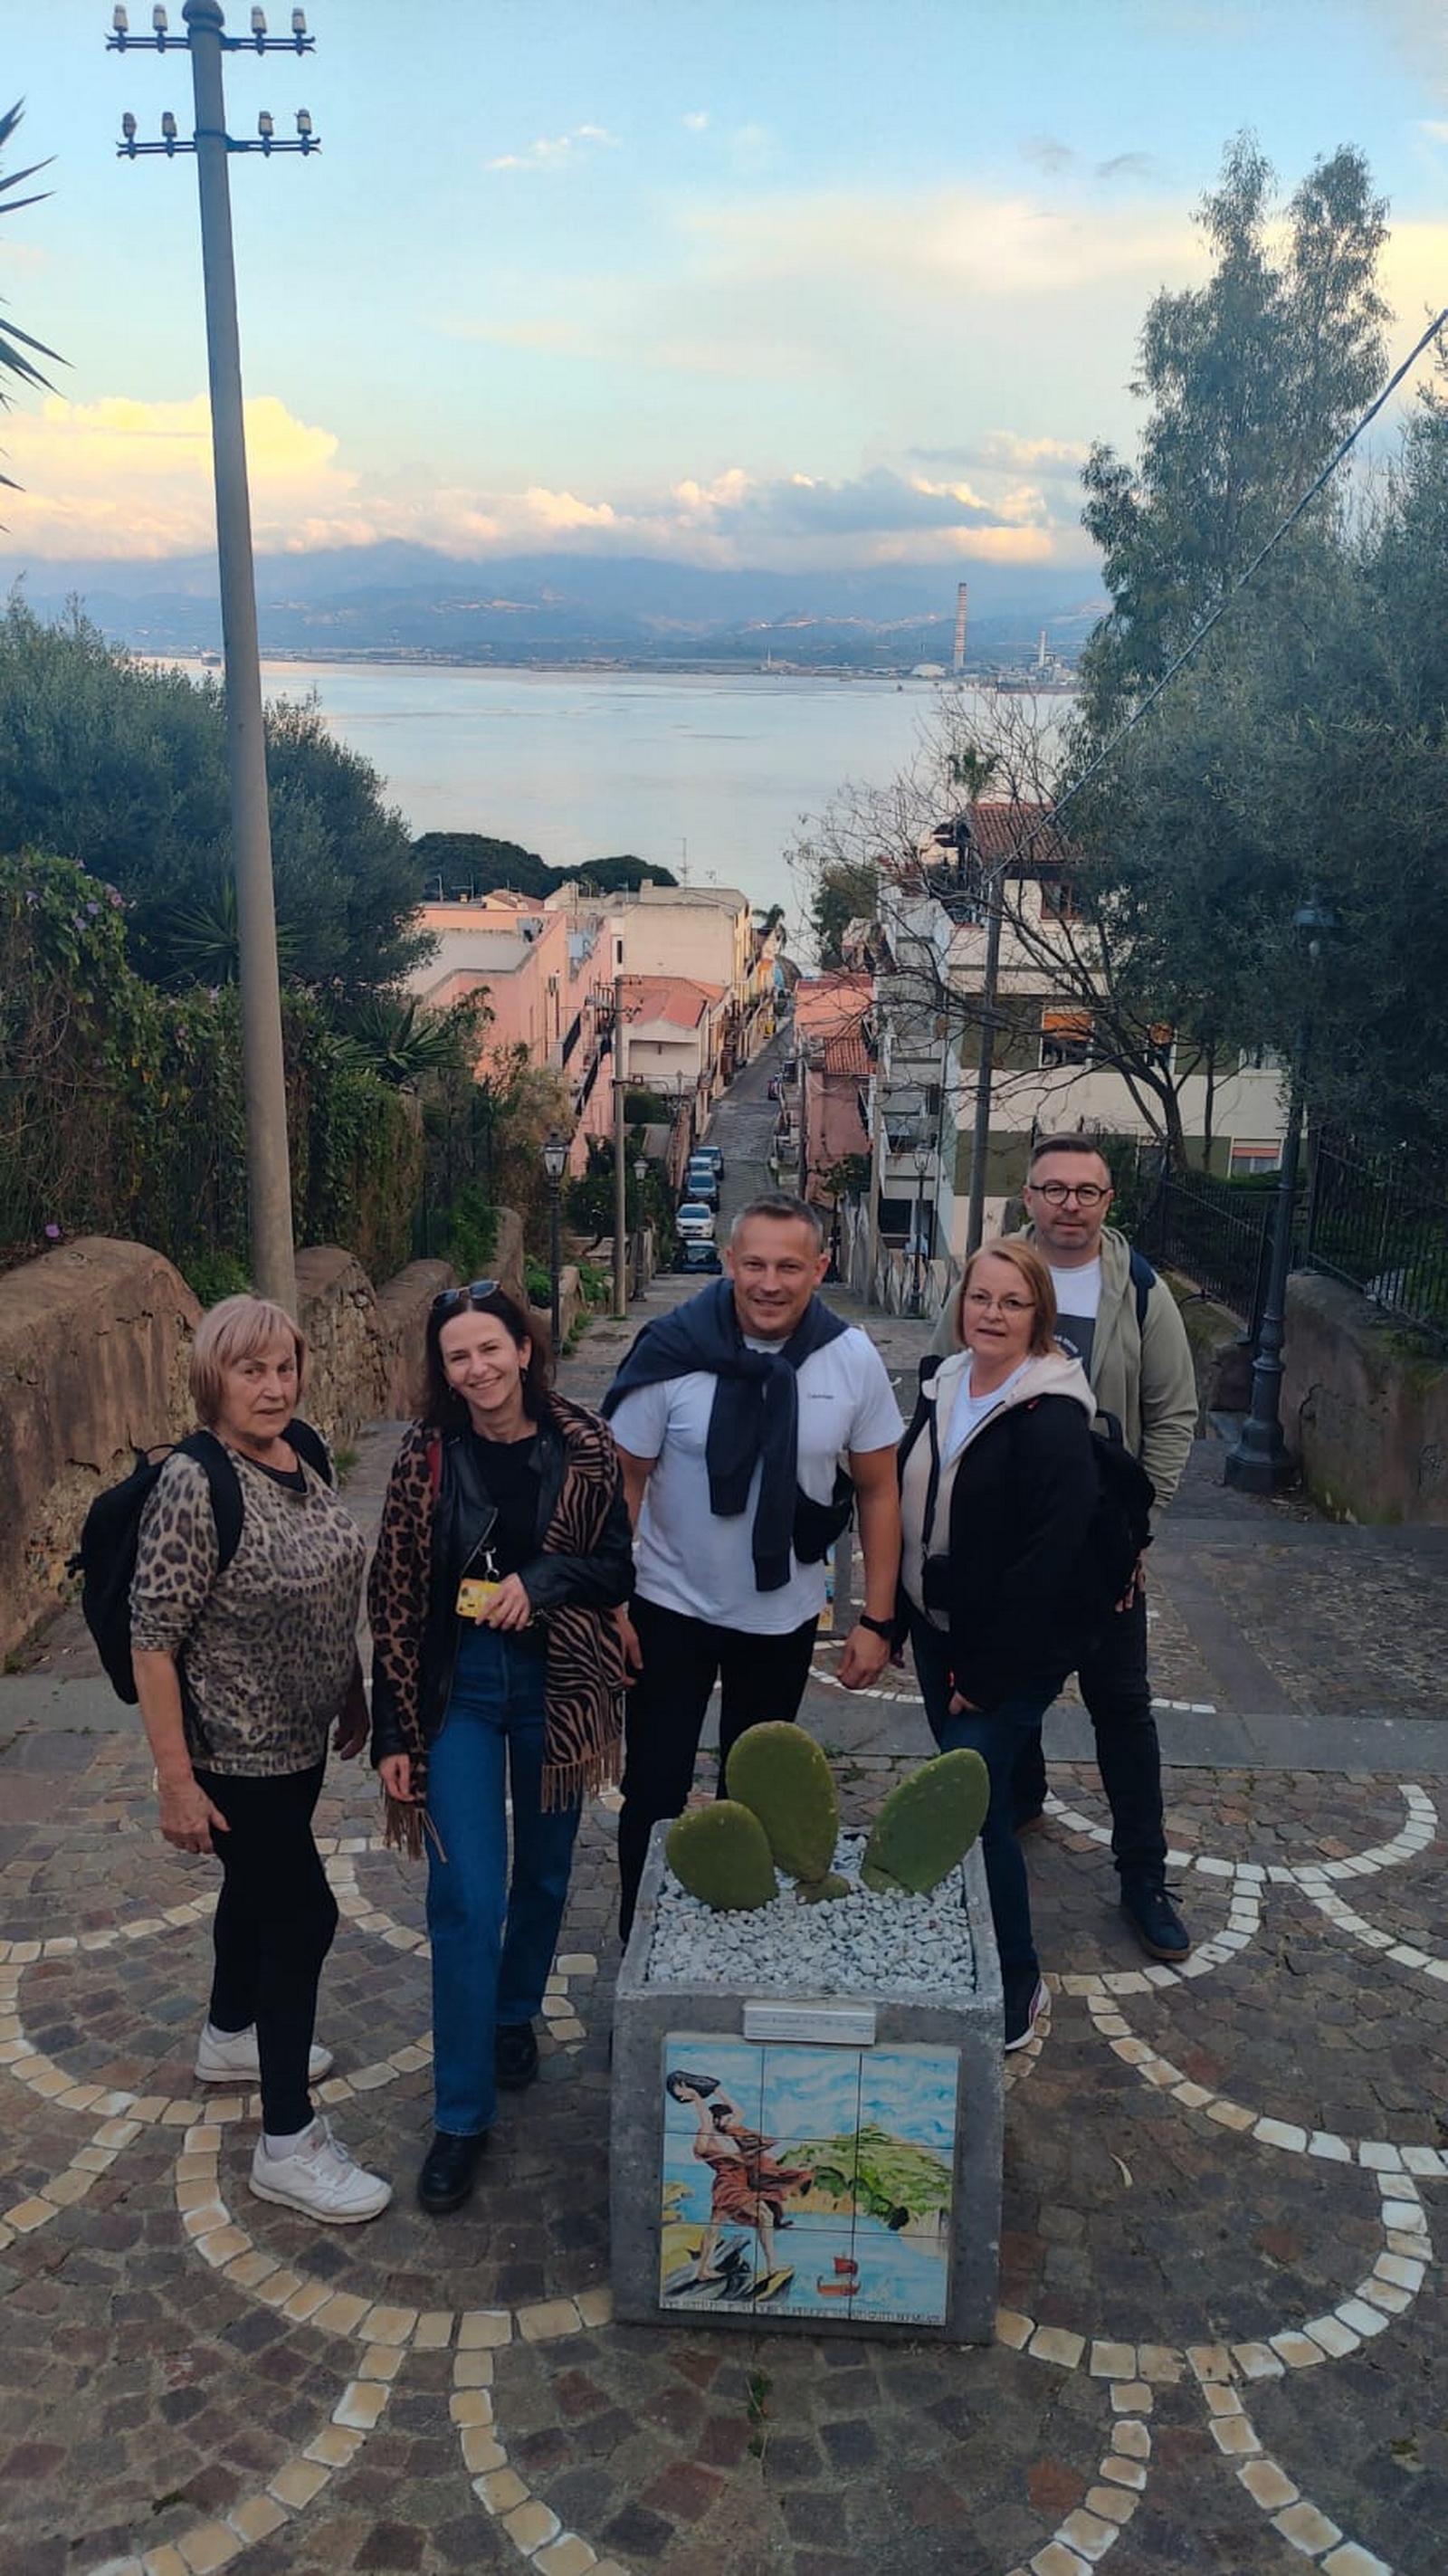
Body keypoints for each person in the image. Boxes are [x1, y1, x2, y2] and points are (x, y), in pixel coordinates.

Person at [368, 1282, 632, 2217]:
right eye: (458, 1356)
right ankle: (460, 2116)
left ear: (525, 1349)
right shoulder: (426, 1458)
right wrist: (394, 1730)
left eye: (491, 1348)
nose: (477, 1368)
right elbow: (395, 1597)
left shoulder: (584, 1444)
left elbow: (616, 1565)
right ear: (443, 1370)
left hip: (560, 1682)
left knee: (546, 1875)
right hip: (463, 1689)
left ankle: (515, 2011)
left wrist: (542, 1578)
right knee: (466, 1898)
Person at [129, 1295, 390, 2226]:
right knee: (303, 1915)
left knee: (253, 1895)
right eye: (252, 1370)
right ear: (215, 1377)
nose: (274, 1387)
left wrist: (351, 1685)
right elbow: (152, 1640)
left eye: (285, 1367)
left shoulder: (302, 1449)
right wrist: (176, 1782)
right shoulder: (195, 1482)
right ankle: (286, 2143)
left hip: (297, 1745)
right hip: (233, 1755)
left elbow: (327, 1579)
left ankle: (229, 2033)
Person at [603, 1193, 903, 1941]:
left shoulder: (851, 1358)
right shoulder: (671, 1350)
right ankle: (643, 1938)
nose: (770, 1284)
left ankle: (740, 1941)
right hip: (670, 1608)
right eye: (756, 1265)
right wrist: (610, 1605)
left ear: (820, 1268)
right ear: (730, 1261)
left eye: (789, 1267)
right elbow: (624, 1483)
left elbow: (879, 1488)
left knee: (757, 1794)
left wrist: (877, 1618)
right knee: (654, 1790)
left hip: (783, 1614)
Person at [931, 1133, 1198, 1961]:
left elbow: (1173, 1415)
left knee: (1121, 1708)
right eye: (1053, 1188)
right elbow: (945, 1385)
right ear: (1029, 1198)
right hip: (1005, 1554)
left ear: (1108, 1201)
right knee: (1013, 1686)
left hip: (1101, 1558)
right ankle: (1023, 1796)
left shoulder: (1140, 1289)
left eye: (1087, 1191)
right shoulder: (992, 1276)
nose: (1069, 1205)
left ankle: (1143, 1876)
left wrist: (1137, 1534)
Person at [900, 1241, 1104, 2049]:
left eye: (1012, 1302)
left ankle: (1017, 1980)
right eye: (980, 1297)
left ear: (1038, 1317)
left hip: (1007, 1654)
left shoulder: (1051, 1416)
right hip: (936, 1628)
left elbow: (1047, 1565)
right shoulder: (944, 1381)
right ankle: (971, 1932)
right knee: (972, 1790)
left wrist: (986, 1677)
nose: (991, 1314)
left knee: (971, 1807)